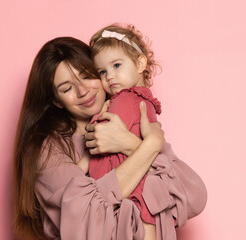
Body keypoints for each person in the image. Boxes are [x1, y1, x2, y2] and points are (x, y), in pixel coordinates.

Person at [13, 37, 207, 240]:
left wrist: (130, 144)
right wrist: (149, 147)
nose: (83, 91)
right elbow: (88, 217)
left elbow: (194, 198)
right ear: (56, 100)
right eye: (67, 88)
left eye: (88, 76)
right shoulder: (49, 148)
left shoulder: (129, 123)